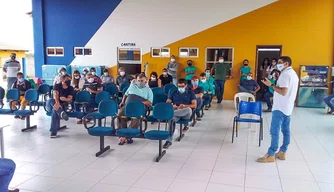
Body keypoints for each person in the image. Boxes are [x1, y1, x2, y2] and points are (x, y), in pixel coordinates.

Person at [257, 56, 299, 163]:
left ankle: (271, 154)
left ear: (286, 64)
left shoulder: (285, 75)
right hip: (288, 106)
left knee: (274, 131)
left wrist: (270, 85)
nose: (277, 65)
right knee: (286, 130)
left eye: (280, 63)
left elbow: (283, 91)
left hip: (280, 107)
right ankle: (283, 152)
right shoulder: (294, 74)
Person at [118, 73, 153, 145]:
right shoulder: (132, 87)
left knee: (135, 117)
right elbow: (126, 94)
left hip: (139, 107)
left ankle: (128, 136)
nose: (140, 82)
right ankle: (122, 133)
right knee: (120, 115)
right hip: (128, 106)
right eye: (138, 80)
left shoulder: (148, 90)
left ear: (146, 81)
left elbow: (149, 102)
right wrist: (122, 101)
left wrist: (140, 102)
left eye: (142, 81)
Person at [163, 78, 197, 149]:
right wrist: (172, 105)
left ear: (186, 86)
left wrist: (184, 106)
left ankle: (171, 113)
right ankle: (169, 140)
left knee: (188, 109)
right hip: (176, 112)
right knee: (171, 120)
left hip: (185, 112)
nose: (180, 88)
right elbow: (167, 102)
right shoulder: (174, 92)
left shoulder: (191, 93)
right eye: (179, 86)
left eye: (182, 86)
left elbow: (194, 105)